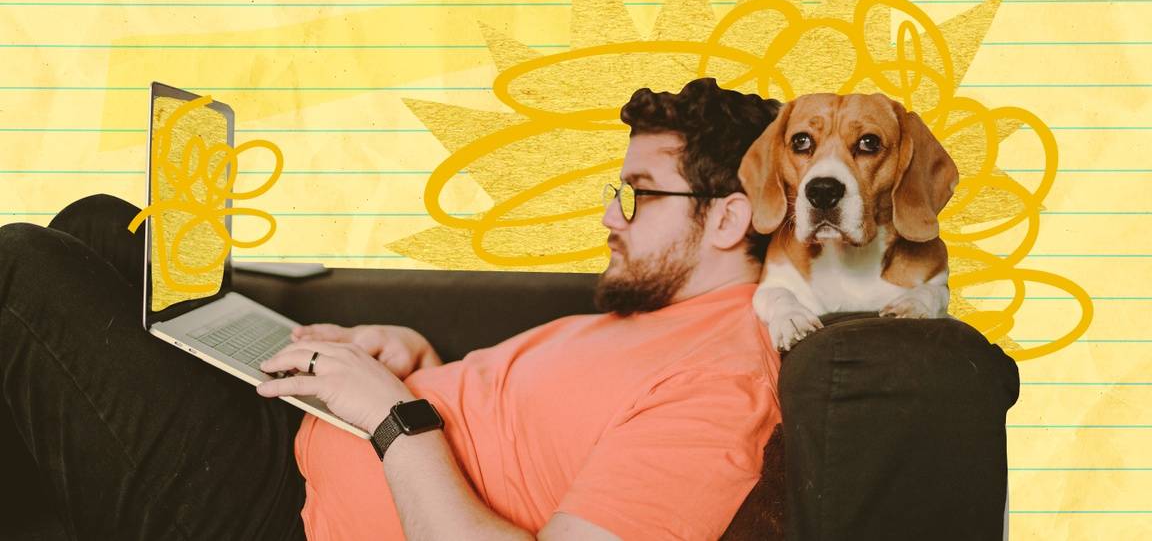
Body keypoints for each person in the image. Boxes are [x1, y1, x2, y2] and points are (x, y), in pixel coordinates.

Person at [0, 77, 782, 540]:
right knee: (103, 224)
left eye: (637, 196)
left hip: (285, 514)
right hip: (313, 435)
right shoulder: (650, 312)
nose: (610, 216)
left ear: (728, 218)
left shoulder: (723, 387)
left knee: (21, 267)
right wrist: (411, 360)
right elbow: (513, 437)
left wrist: (393, 416)